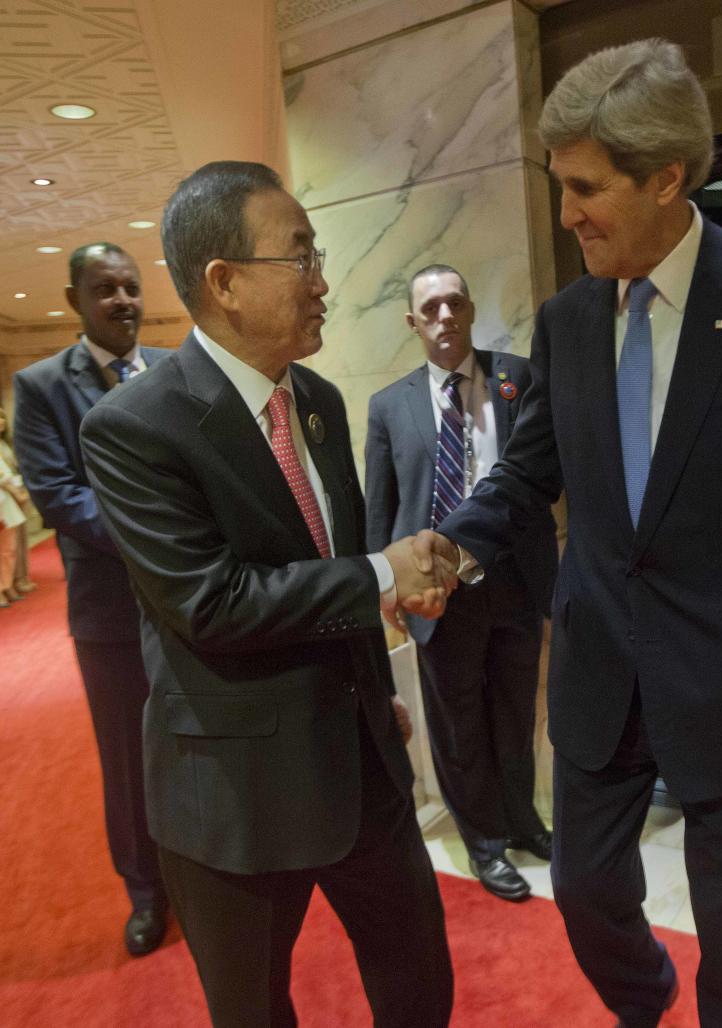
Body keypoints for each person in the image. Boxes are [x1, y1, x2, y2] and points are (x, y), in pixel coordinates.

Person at [416, 39, 722, 1027]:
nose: (568, 213)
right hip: (598, 668)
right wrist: (453, 546)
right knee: (586, 891)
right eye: (561, 186)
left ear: (666, 176)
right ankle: (649, 1000)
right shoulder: (567, 320)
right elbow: (527, 470)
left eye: (587, 187)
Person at [79, 161, 455, 1028]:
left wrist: (376, 683)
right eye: (301, 258)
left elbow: (333, 563)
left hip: (362, 764)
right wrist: (382, 575)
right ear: (224, 283)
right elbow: (209, 601)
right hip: (232, 798)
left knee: (420, 986)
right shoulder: (134, 427)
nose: (325, 281)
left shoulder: (316, 399)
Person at [365, 264, 558, 901]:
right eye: (431, 309)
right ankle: (484, 841)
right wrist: (386, 589)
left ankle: (523, 818)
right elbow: (381, 509)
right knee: (458, 725)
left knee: (514, 713)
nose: (445, 318)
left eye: (455, 304)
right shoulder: (389, 406)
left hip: (515, 581)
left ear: (470, 310)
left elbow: (536, 480)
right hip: (436, 596)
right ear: (412, 322)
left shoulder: (518, 378)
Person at [13, 244, 169, 954]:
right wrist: (168, 542)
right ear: (75, 299)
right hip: (110, 616)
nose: (123, 301)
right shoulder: (42, 385)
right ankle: (145, 891)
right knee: (129, 759)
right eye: (105, 289)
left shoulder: (172, 368)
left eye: (132, 287)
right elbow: (60, 497)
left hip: (191, 605)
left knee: (196, 743)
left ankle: (203, 873)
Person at [0, 405, 35, 601]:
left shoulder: (5, 444)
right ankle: (5, 587)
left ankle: (12, 582)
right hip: (5, 497)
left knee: (11, 546)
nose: (2, 422)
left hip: (10, 498)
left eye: (3, 418)